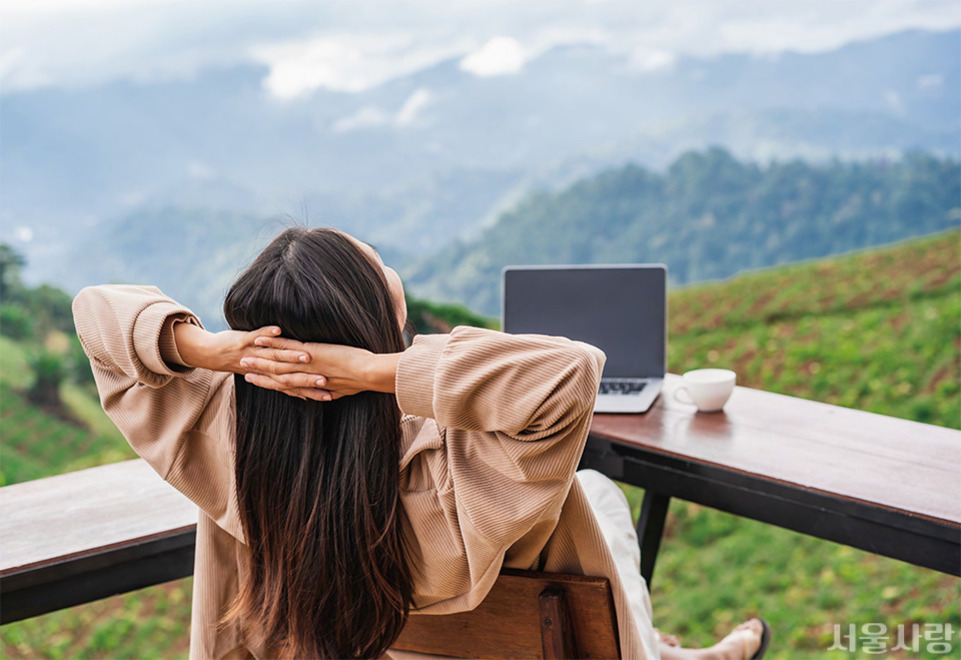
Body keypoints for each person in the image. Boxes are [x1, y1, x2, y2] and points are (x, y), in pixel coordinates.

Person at [73, 226, 769, 660]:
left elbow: (97, 313)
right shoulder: (458, 466)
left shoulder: (220, 444)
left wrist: (208, 350)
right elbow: (570, 369)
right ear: (381, 311)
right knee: (595, 496)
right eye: (378, 265)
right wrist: (377, 371)